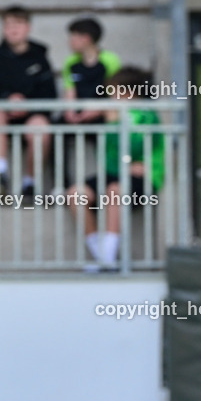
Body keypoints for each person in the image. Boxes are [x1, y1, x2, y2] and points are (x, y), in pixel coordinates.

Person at [67, 66, 163, 270]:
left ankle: (108, 257)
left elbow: (132, 147)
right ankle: (103, 256)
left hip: (143, 176)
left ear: (129, 92)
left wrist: (114, 123)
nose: (110, 96)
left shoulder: (145, 114)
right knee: (76, 194)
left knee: (114, 192)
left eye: (114, 91)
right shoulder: (113, 112)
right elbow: (111, 157)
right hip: (114, 172)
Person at [0, 5, 56, 195]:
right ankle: (0, 175)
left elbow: (50, 93)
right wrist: (7, 99)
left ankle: (30, 182)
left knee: (40, 126)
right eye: (8, 24)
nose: (13, 29)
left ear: (28, 27)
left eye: (18, 23)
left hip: (32, 114)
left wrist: (26, 105)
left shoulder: (40, 56)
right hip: (1, 114)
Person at [62, 16, 121, 124]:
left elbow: (115, 92)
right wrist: (70, 113)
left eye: (73, 37)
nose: (70, 42)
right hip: (79, 112)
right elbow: (70, 90)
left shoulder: (110, 60)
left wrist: (98, 110)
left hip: (102, 111)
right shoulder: (71, 62)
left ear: (86, 38)